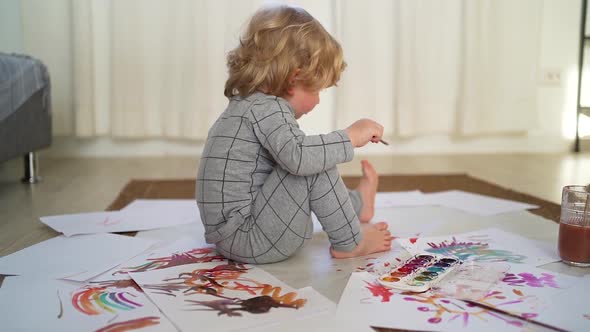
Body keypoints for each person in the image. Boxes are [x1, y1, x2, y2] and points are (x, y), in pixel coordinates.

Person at [196, 4, 392, 264]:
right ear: (293, 78)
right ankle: (351, 242)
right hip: (251, 239)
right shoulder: (268, 108)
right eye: (317, 91)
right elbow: (300, 158)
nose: (319, 101)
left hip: (230, 239)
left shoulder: (246, 105)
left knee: (308, 156)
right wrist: (351, 136)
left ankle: (358, 205)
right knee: (311, 161)